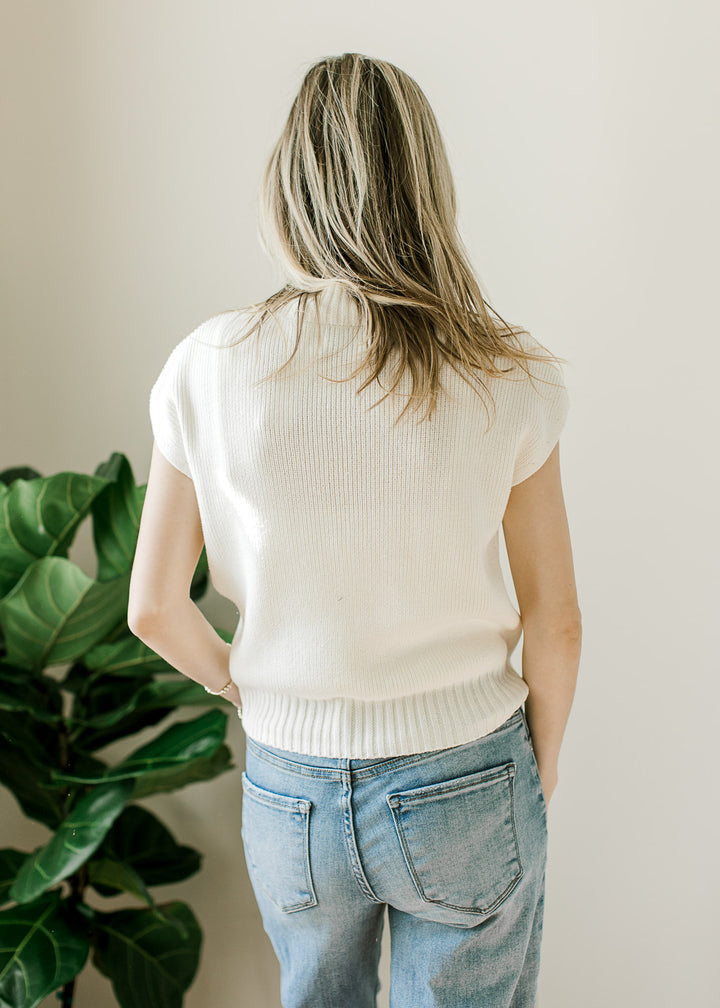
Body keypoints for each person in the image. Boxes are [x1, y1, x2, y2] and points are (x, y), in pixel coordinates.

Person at [128, 52, 582, 1008]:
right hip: (467, 764)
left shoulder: (208, 365)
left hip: (290, 786)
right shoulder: (509, 372)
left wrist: (249, 693)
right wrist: (530, 778)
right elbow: (557, 621)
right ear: (427, 185)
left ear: (289, 188)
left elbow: (156, 608)